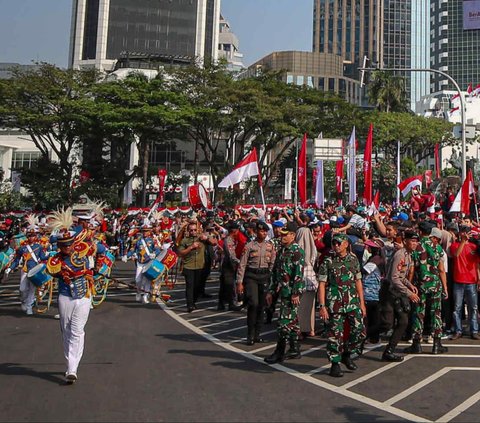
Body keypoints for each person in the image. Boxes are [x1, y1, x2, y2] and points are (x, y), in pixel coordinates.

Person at [47, 231, 93, 384]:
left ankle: (72, 368)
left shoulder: (82, 253)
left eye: (70, 243)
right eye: (64, 245)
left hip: (84, 296)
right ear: (59, 246)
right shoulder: (55, 260)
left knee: (77, 331)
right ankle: (70, 364)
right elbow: (51, 271)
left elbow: (94, 250)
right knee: (66, 331)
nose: (68, 247)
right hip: (66, 296)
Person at [318, 233, 366, 377]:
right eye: (334, 243)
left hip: (352, 301)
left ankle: (347, 353)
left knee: (359, 330)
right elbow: (321, 284)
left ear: (346, 244)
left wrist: (362, 304)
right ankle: (335, 363)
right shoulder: (328, 261)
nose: (336, 246)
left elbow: (358, 281)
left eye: (339, 243)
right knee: (335, 334)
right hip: (335, 302)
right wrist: (322, 306)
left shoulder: (353, 260)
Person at [264, 222, 305, 363]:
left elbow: (299, 274)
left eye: (285, 234)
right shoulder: (282, 250)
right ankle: (294, 349)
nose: (281, 236)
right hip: (283, 290)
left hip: (291, 293)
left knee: (283, 323)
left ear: (292, 236)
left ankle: (279, 352)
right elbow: (276, 272)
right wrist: (270, 291)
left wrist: (296, 293)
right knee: (292, 322)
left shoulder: (297, 251)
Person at [405, 223, 449, 354]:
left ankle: (416, 343)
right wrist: (445, 287)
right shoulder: (437, 247)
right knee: (436, 313)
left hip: (420, 284)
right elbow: (441, 269)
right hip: (435, 283)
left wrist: (410, 284)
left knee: (419, 312)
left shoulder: (416, 247)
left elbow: (412, 269)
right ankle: (437, 343)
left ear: (419, 231)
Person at [381, 231, 420, 362]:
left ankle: (389, 351)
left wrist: (409, 285)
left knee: (403, 322)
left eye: (416, 241)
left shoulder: (408, 255)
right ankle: (362, 337)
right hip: (389, 291)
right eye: (412, 241)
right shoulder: (400, 255)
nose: (414, 244)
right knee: (386, 324)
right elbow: (394, 278)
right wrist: (409, 293)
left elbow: (401, 277)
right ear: (405, 241)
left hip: (398, 292)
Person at [237, 221, 276, 345]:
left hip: (264, 276)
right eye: (261, 231)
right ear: (256, 231)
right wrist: (239, 282)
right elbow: (242, 264)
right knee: (253, 304)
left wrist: (270, 278)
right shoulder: (249, 246)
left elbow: (272, 264)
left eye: (265, 231)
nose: (263, 233)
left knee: (261, 306)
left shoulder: (270, 246)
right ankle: (250, 334)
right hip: (251, 276)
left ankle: (257, 334)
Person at [6, 223, 49, 315]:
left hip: (35, 271)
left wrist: (51, 256)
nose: (31, 238)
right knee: (22, 289)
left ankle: (29, 306)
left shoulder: (39, 247)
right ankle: (24, 301)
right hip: (25, 270)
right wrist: (10, 268)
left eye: (33, 236)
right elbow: (17, 260)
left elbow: (42, 257)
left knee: (32, 290)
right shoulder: (22, 248)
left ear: (36, 236)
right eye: (30, 236)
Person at [177, 222, 217, 312]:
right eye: (191, 230)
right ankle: (190, 305)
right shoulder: (185, 240)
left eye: (195, 230)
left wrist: (207, 238)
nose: (193, 232)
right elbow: (180, 253)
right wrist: (190, 247)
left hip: (200, 266)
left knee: (197, 286)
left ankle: (193, 301)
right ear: (188, 231)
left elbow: (214, 243)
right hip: (188, 266)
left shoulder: (201, 238)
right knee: (190, 286)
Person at [449, 226, 480, 340]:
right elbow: (456, 255)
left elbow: (476, 265)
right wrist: (462, 241)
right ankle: (458, 330)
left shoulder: (474, 247)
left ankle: (474, 330)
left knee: (474, 307)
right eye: (463, 233)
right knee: (457, 307)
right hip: (458, 280)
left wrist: (478, 279)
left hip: (471, 281)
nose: (465, 235)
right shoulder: (454, 246)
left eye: (467, 233)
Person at [296, 226, 318, 339]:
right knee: (311, 307)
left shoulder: (297, 249)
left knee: (300, 307)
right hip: (312, 279)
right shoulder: (313, 248)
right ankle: (311, 329)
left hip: (301, 278)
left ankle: (299, 329)